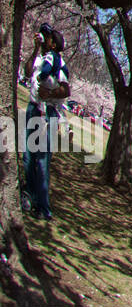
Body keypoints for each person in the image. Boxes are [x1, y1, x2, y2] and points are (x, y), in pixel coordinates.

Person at [22, 23, 69, 221]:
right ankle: (29, 196)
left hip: (47, 112)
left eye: (47, 36)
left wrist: (49, 92)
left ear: (53, 43)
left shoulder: (58, 62)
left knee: (41, 160)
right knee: (28, 156)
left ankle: (43, 207)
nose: (44, 38)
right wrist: (34, 49)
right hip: (34, 108)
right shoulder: (41, 59)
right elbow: (26, 71)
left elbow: (66, 90)